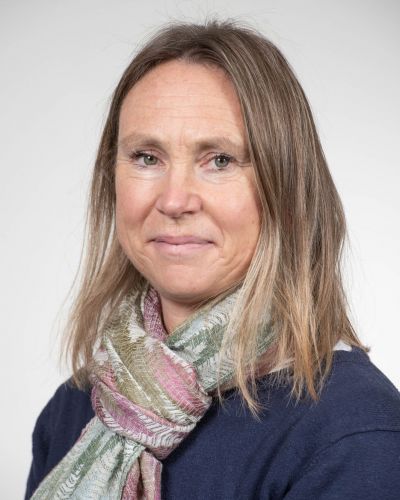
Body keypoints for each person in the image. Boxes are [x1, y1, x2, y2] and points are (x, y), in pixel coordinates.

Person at [25, 18, 400, 499]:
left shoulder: (354, 434)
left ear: (286, 188)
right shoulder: (76, 411)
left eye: (219, 160)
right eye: (146, 157)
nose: (174, 200)